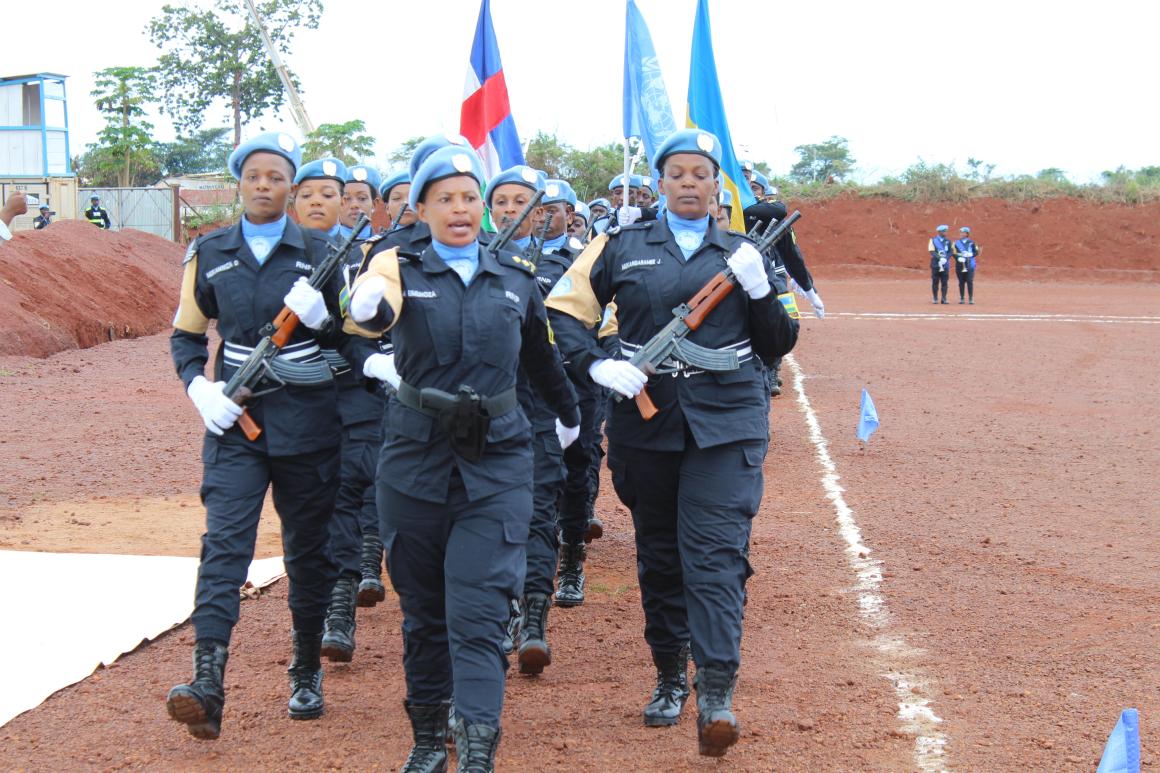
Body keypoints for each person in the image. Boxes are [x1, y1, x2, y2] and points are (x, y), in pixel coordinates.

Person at [546, 128, 798, 757]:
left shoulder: (745, 252)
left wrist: (760, 289)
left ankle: (716, 691)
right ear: (659, 183)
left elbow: (778, 343)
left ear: (717, 185)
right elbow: (563, 311)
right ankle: (668, 675)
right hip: (646, 424)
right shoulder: (619, 245)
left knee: (714, 555)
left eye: (700, 174)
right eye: (677, 173)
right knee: (661, 555)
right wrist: (596, 365)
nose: (689, 183)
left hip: (727, 424)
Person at [345, 145, 579, 773]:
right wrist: (366, 308)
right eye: (444, 198)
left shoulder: (515, 279)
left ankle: (477, 753)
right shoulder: (397, 266)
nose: (460, 209)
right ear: (421, 209)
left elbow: (541, 358)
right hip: (414, 460)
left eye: (469, 197)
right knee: (425, 615)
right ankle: (427, 742)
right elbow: (372, 310)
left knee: (478, 612)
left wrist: (569, 414)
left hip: (497, 462)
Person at [166, 131, 373, 739]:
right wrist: (199, 388)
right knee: (224, 545)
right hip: (235, 422)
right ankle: (207, 681)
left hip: (309, 425)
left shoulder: (325, 251)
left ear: (291, 186)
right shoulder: (210, 252)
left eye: (276, 177)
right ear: (239, 184)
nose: (264, 185)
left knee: (307, 554)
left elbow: (356, 345)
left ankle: (306, 667)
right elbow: (186, 335)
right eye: (253, 176)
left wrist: (324, 320)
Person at [340, 164, 381, 241]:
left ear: (374, 204)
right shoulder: (321, 244)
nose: (354, 205)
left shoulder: (386, 245)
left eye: (362, 198)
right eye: (347, 198)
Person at [953, 226, 980, 304]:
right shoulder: (955, 243)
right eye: (961, 232)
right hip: (960, 264)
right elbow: (953, 253)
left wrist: (970, 254)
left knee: (969, 281)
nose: (961, 234)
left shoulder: (972, 242)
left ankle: (971, 298)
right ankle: (962, 298)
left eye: (963, 232)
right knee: (961, 282)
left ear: (967, 234)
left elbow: (976, 252)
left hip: (969, 264)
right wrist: (958, 258)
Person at [928, 224, 952, 304]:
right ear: (939, 232)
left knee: (945, 282)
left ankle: (944, 298)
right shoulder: (933, 240)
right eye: (944, 231)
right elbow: (932, 251)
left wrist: (946, 258)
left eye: (946, 231)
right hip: (936, 264)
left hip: (945, 264)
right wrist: (940, 258)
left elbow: (950, 251)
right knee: (935, 282)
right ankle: (935, 298)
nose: (946, 232)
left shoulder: (948, 241)